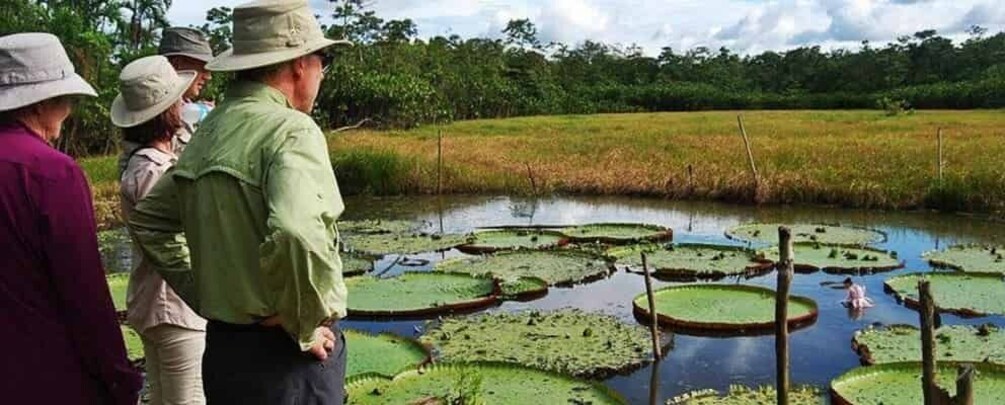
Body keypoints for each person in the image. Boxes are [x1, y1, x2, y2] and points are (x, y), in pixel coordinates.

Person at [128, 1, 351, 403]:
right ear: (299, 64)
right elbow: (296, 232)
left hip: (226, 354)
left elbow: (149, 221)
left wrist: (202, 293)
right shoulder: (292, 130)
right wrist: (301, 326)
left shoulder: (211, 129)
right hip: (289, 363)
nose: (322, 70)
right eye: (324, 58)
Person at [0, 32, 142, 404]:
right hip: (47, 376)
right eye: (67, 99)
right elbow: (84, 290)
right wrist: (120, 378)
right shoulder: (51, 173)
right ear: (44, 102)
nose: (69, 109)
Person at [113, 55, 207, 405]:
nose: (186, 105)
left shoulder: (138, 163)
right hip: (175, 306)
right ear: (168, 112)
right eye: (179, 101)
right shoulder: (154, 171)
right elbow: (186, 230)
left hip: (152, 302)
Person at [117, 27, 215, 174]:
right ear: (177, 64)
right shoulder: (150, 113)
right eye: (203, 67)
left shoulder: (192, 109)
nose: (208, 76)